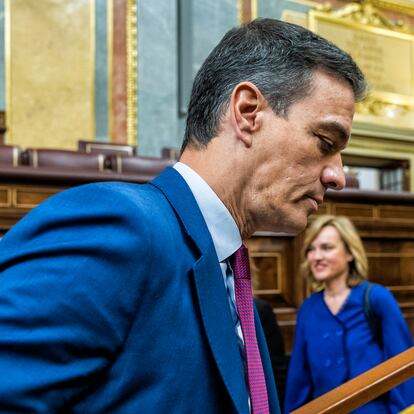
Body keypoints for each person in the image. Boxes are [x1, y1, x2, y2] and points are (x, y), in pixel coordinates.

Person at [0, 18, 366, 413]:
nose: (338, 176)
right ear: (247, 112)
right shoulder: (120, 226)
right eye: (325, 142)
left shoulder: (229, 271)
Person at [284, 215, 414, 414]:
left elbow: (402, 369)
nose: (317, 256)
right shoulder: (308, 309)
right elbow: (298, 380)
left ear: (349, 253)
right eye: (312, 248)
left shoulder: (376, 298)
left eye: (327, 247)